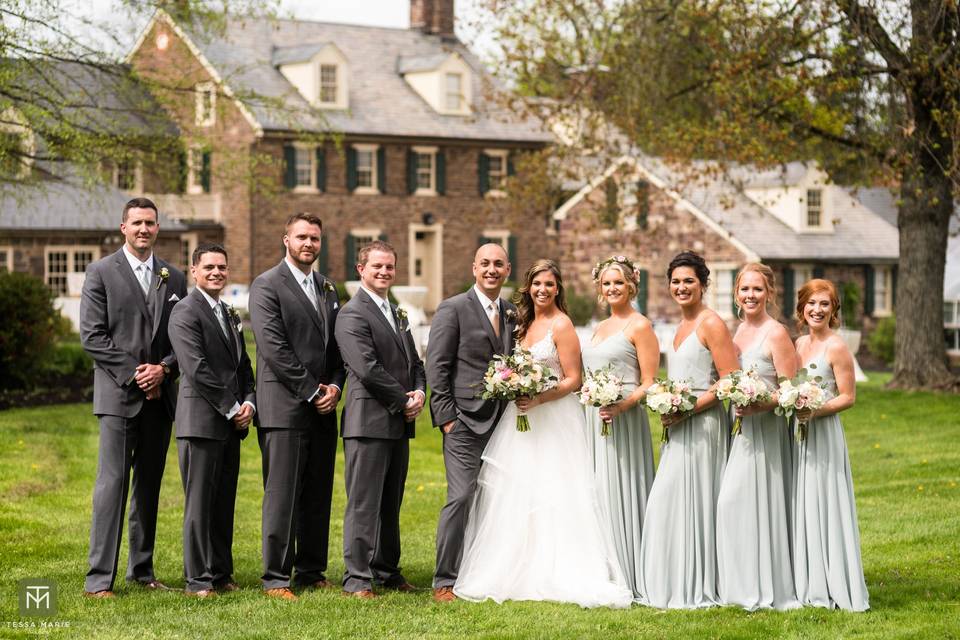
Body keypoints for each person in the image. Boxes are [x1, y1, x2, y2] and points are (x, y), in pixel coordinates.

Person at [453, 259, 633, 608]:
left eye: (550, 285)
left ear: (557, 289)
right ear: (528, 287)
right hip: (520, 418)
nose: (542, 290)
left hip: (553, 418)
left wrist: (540, 398)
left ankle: (559, 568)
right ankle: (513, 566)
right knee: (518, 488)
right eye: (537, 284)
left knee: (554, 489)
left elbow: (573, 379)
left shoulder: (562, 325)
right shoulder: (521, 323)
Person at [80, 197, 187, 597]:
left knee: (149, 486)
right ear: (124, 227)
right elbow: (93, 336)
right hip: (118, 397)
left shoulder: (173, 277)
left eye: (151, 223)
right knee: (112, 485)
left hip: (161, 398)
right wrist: (134, 375)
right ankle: (98, 579)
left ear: (158, 228)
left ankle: (141, 570)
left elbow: (183, 337)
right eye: (137, 223)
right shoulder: (102, 272)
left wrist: (165, 369)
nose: (144, 229)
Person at [248, 213, 345, 601]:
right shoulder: (267, 285)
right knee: (283, 493)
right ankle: (275, 576)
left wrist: (336, 385)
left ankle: (310, 569)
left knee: (318, 490)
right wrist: (311, 390)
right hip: (284, 406)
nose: (309, 243)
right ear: (285, 239)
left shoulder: (327, 287)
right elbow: (273, 348)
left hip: (324, 406)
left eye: (315, 238)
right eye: (302, 237)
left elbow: (338, 345)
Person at [637, 251, 738, 609]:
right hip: (678, 425)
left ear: (703, 285)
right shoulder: (678, 327)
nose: (681, 287)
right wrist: (668, 403)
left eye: (689, 281)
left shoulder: (712, 324)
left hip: (704, 425)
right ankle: (672, 580)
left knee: (694, 500)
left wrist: (689, 409)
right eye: (676, 282)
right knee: (670, 501)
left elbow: (730, 381)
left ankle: (700, 582)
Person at [335, 241, 426, 599]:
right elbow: (366, 368)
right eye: (377, 266)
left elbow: (415, 362)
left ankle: (387, 570)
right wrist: (402, 399)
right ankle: (357, 577)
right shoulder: (352, 313)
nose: (384, 272)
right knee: (363, 502)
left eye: (389, 266)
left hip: (398, 421)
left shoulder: (398, 312)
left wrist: (420, 391)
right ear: (361, 270)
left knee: (391, 501)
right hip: (368, 421)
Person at [427, 243, 516, 603]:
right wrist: (447, 418)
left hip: (503, 423)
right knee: (461, 496)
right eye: (485, 263)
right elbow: (437, 366)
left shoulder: (511, 312)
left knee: (496, 500)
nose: (491, 269)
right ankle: (444, 580)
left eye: (498, 264)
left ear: (507, 269)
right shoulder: (453, 308)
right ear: (473, 268)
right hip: (463, 422)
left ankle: (483, 571)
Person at [168, 243, 255, 598]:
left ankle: (221, 572)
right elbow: (197, 369)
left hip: (230, 423)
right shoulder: (185, 312)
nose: (217, 272)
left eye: (222, 266)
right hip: (201, 422)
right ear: (194, 271)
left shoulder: (228, 313)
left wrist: (250, 400)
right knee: (200, 504)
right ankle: (198, 579)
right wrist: (233, 408)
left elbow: (244, 365)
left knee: (223, 502)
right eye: (209, 267)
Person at [716, 263, 800, 610]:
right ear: (736, 294)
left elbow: (792, 392)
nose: (750, 296)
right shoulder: (736, 332)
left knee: (741, 502)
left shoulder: (776, 333)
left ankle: (765, 585)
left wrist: (758, 404)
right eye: (745, 290)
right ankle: (740, 583)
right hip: (742, 431)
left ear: (769, 293)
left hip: (765, 432)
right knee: (736, 506)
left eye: (757, 290)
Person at [581, 256, 660, 600]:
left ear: (631, 285)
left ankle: (630, 568)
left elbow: (650, 382)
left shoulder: (640, 326)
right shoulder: (599, 328)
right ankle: (601, 567)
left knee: (620, 487)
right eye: (606, 283)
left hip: (624, 420)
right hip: (594, 421)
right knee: (597, 489)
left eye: (619, 283)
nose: (612, 288)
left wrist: (622, 404)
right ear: (600, 288)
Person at [792, 279, 869, 611]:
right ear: (802, 308)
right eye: (811, 303)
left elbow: (848, 397)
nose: (817, 310)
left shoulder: (836, 346)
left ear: (834, 310)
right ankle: (807, 580)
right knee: (802, 502)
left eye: (825, 304)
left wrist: (815, 410)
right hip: (797, 435)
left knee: (824, 501)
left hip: (823, 434)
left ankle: (834, 581)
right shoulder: (796, 344)